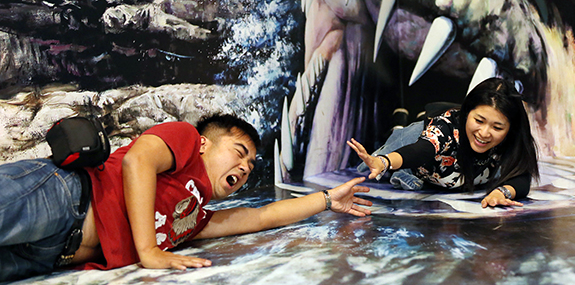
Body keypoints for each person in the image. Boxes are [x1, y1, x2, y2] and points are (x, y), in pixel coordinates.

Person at [0, 114, 372, 281]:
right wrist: (148, 252)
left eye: (251, 165)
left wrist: (327, 199)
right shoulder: (186, 140)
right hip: (60, 197)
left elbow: (262, 217)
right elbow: (138, 160)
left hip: (50, 255)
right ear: (207, 142)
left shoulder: (195, 218)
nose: (245, 167)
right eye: (239, 151)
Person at [347, 77, 539, 208]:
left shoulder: (510, 140)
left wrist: (503, 193)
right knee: (396, 138)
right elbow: (420, 150)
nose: (485, 133)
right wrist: (384, 162)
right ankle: (403, 123)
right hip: (415, 147)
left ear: (510, 129)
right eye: (479, 121)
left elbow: (521, 176)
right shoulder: (447, 128)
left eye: (497, 128)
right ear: (466, 114)